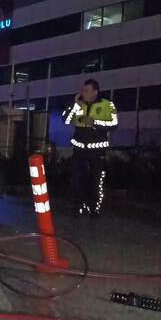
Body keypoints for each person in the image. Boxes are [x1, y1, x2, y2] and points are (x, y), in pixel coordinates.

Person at [63, 79, 118, 218]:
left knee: (96, 179)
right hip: (79, 148)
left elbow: (114, 123)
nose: (84, 93)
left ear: (95, 92)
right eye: (83, 90)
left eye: (87, 90)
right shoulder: (78, 104)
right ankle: (77, 206)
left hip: (97, 150)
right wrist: (75, 105)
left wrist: (94, 123)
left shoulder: (107, 105)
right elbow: (66, 119)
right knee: (76, 178)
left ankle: (94, 208)